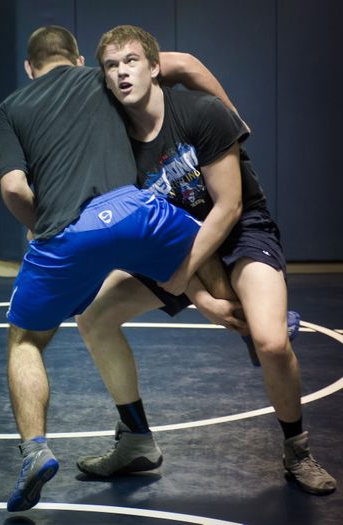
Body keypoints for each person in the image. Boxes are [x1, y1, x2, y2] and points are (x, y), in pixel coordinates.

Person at [75, 25, 336, 496]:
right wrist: (200, 298)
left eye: (131, 61)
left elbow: (229, 206)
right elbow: (148, 238)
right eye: (112, 66)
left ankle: (297, 449)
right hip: (173, 246)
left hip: (238, 230)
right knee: (93, 318)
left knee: (272, 342)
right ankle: (136, 441)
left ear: (155, 67)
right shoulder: (113, 147)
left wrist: (187, 282)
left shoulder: (201, 113)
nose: (122, 72)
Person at [0, 25, 243, 512]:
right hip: (134, 212)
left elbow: (14, 189)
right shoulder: (100, 78)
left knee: (24, 340)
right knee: (198, 240)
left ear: (29, 69)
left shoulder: (9, 110)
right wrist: (234, 124)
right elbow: (186, 65)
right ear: (80, 58)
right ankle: (257, 320)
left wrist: (39, 222)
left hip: (66, 234)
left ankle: (36, 450)